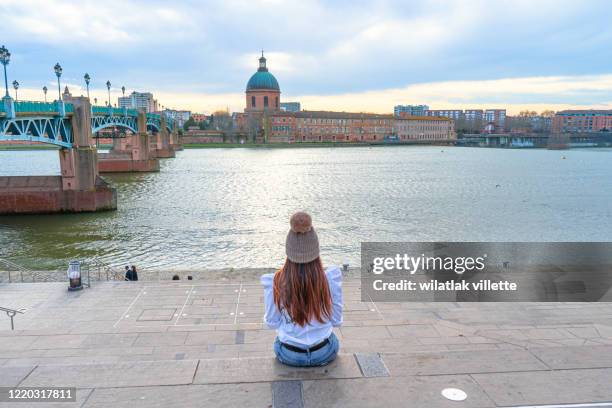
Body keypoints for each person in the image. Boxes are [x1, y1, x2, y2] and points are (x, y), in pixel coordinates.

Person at [261, 212, 343, 367]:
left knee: (279, 340)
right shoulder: (330, 279)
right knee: (332, 339)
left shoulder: (275, 281)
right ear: (316, 251)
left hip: (289, 354)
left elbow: (271, 324)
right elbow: (337, 321)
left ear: (288, 252)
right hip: (323, 352)